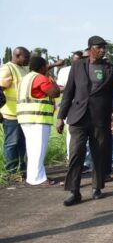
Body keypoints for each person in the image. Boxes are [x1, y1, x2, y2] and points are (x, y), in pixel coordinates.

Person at [57, 36, 113, 205]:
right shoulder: (77, 66)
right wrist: (60, 116)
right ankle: (74, 192)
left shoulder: (112, 70)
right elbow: (68, 92)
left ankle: (96, 188)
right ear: (89, 49)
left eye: (104, 47)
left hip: (100, 118)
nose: (102, 50)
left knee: (99, 154)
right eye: (98, 47)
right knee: (76, 154)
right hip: (78, 118)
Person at [17, 56, 61, 186]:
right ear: (42, 67)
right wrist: (50, 78)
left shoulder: (26, 78)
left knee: (32, 150)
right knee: (38, 150)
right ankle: (38, 179)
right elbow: (55, 93)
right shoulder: (41, 78)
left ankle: (33, 177)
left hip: (25, 118)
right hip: (38, 118)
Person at [0, 46, 30, 174]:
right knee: (12, 143)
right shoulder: (7, 68)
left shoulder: (23, 69)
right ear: (17, 56)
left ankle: (21, 170)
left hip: (22, 115)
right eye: (26, 57)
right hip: (10, 114)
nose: (28, 60)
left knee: (22, 143)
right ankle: (12, 172)